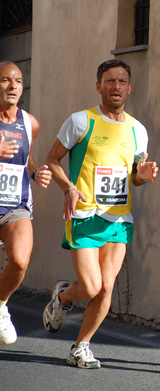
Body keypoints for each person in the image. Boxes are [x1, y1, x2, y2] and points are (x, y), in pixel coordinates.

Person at [42, 59, 158, 369]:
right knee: (91, 287)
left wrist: (142, 175)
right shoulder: (81, 122)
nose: (116, 86)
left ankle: (81, 346)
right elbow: (52, 160)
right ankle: (64, 298)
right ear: (99, 87)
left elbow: (133, 175)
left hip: (118, 219)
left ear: (129, 88)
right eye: (110, 81)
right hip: (83, 216)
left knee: (107, 287)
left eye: (122, 81)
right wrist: (69, 188)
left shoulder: (138, 130)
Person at [0, 61, 52, 345]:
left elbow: (27, 157)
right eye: (5, 80)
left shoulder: (29, 123)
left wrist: (35, 172)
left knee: (20, 262)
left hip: (14, 204)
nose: (12, 86)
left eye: (17, 81)